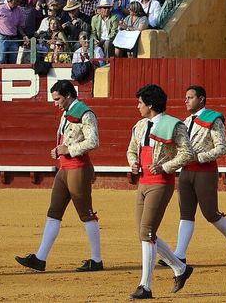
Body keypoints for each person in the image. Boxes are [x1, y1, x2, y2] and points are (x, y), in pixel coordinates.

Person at [16, 79, 103, 273]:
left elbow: (94, 141)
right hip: (65, 169)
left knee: (86, 214)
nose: (55, 103)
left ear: (69, 96)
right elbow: (67, 139)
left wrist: (68, 149)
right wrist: (59, 150)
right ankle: (40, 258)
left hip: (79, 169)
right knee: (53, 212)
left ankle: (97, 260)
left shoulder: (85, 113)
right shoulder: (67, 113)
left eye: (58, 99)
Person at [124, 83, 195, 299]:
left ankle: (145, 286)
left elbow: (187, 153)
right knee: (145, 233)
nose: (138, 106)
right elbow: (131, 150)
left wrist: (164, 166)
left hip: (161, 182)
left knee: (146, 231)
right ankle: (180, 269)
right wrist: (133, 163)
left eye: (140, 103)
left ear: (150, 105)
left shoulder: (174, 125)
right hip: (144, 182)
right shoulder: (139, 126)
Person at [173, 86, 226, 266]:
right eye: (185, 97)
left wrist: (200, 157)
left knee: (210, 213)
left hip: (205, 172)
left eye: (190, 97)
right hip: (186, 171)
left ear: (201, 99)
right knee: (186, 213)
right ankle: (179, 254)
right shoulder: (185, 122)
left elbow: (222, 147)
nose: (186, 101)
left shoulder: (213, 119)